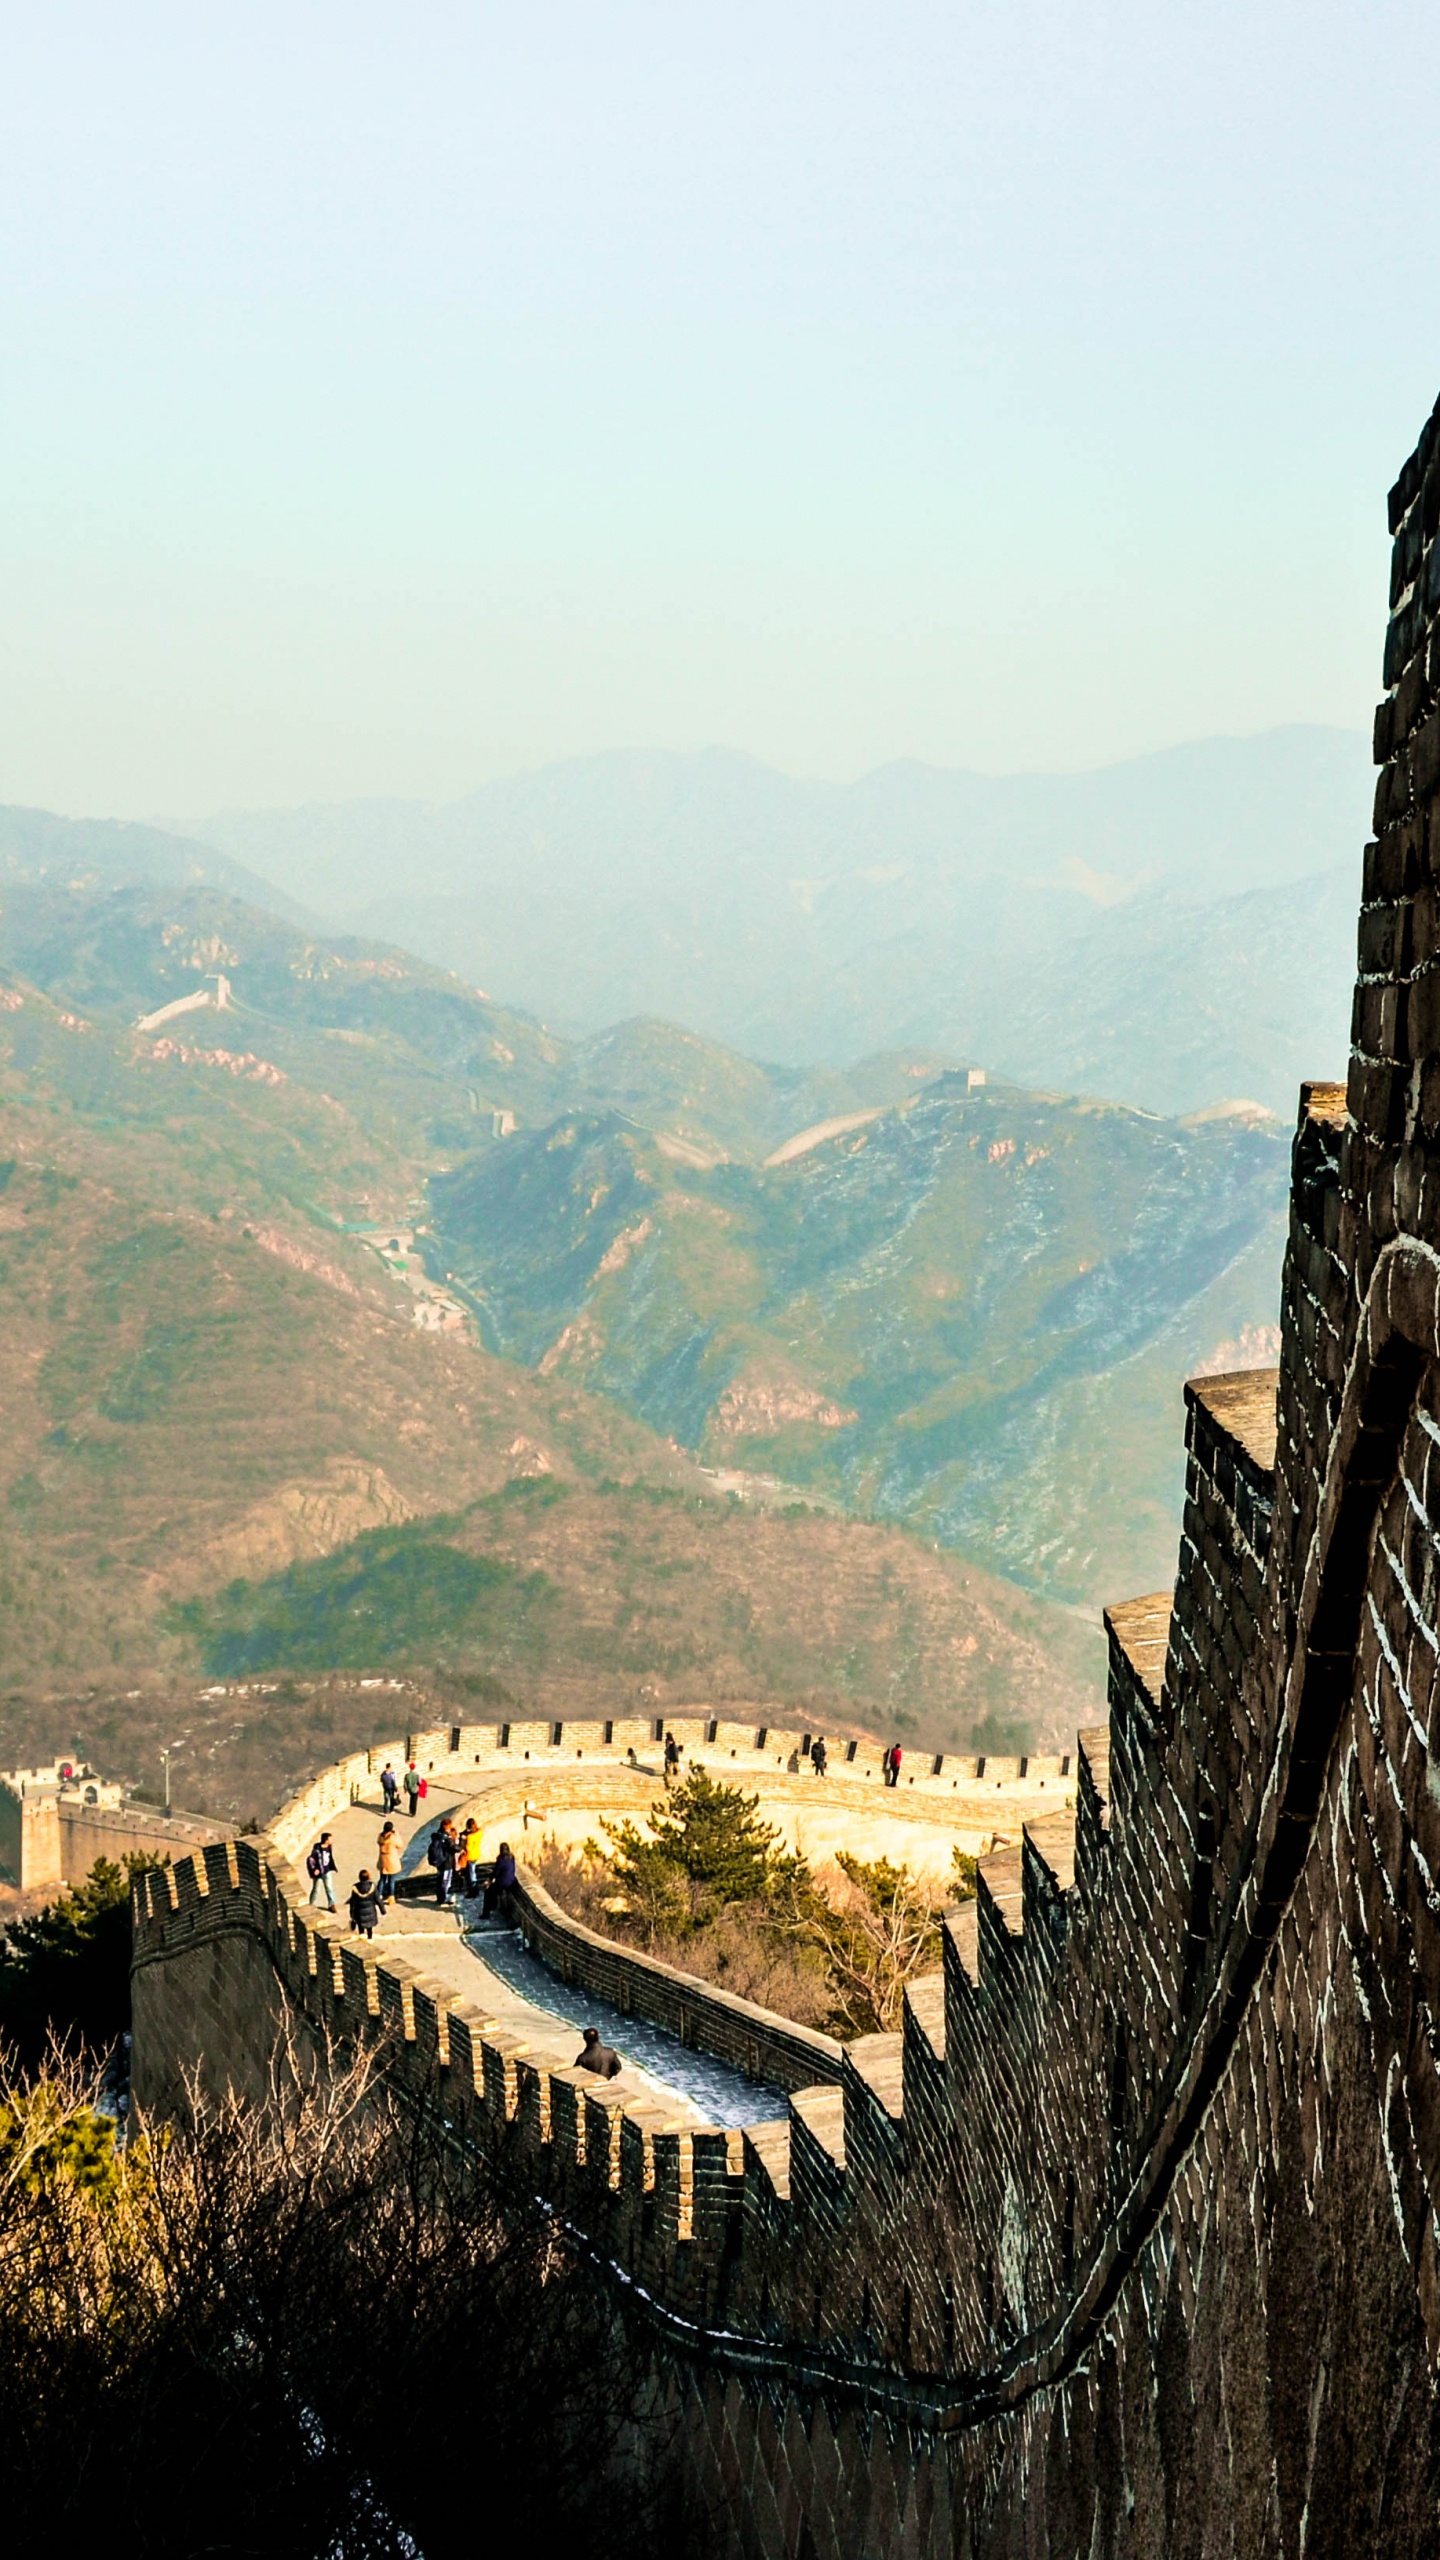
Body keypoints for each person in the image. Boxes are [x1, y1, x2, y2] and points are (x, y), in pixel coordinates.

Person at [427, 1815, 459, 1906]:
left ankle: (440, 1897)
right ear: (446, 1827)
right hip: (446, 1862)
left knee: (440, 1879)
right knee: (445, 1881)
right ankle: (443, 1898)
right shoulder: (446, 1838)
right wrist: (461, 1844)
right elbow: (455, 1848)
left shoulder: (438, 1835)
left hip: (440, 1862)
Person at [483, 1839, 517, 1917]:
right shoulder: (512, 1858)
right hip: (511, 1882)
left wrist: (489, 1880)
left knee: (488, 1892)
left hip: (502, 1883)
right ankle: (495, 1906)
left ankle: (486, 1913)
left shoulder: (501, 1859)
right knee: (495, 1890)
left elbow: (496, 1872)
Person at [306, 1832, 337, 1908]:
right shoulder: (317, 1848)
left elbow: (330, 1858)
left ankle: (332, 1904)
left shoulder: (329, 1847)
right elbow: (312, 1859)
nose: (332, 1841)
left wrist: (333, 1867)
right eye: (330, 1839)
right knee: (316, 1889)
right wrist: (315, 1869)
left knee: (329, 1888)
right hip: (319, 1872)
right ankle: (312, 1903)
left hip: (326, 1870)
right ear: (326, 1840)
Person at [348, 1869, 382, 1939]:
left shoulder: (355, 1888)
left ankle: (362, 1938)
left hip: (359, 1913)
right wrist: (382, 1910)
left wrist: (351, 1913)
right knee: (369, 1928)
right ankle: (370, 1938)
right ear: (368, 1877)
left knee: (361, 1927)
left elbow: (353, 1902)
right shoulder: (372, 1887)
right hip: (370, 1912)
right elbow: (378, 1899)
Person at [376, 1820, 402, 1906]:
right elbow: (400, 1845)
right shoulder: (392, 1838)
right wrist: (397, 1834)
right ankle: (391, 1898)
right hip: (392, 1862)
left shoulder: (380, 1837)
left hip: (383, 1861)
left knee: (382, 1879)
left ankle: (378, 1895)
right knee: (391, 1880)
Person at [460, 1815, 483, 1896]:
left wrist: (464, 1839)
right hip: (476, 1854)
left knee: (472, 1874)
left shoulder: (469, 1837)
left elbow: (468, 1848)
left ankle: (474, 1891)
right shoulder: (479, 1832)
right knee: (472, 1872)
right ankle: (474, 1890)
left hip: (470, 1856)